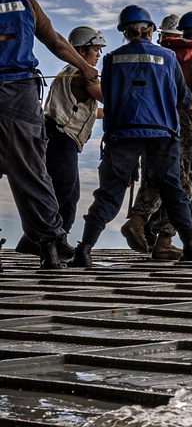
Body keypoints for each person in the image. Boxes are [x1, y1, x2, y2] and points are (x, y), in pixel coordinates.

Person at [70, 5, 192, 268]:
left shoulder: (112, 59)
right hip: (162, 133)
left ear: (124, 33)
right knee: (173, 191)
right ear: (151, 30)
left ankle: (84, 250)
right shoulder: (168, 58)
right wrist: (190, 102)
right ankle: (191, 248)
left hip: (123, 134)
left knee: (109, 193)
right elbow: (183, 98)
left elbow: (110, 94)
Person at [0, 0, 102, 271]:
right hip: (19, 93)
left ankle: (47, 241)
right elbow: (55, 41)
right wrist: (86, 68)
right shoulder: (24, 3)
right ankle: (49, 246)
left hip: (18, 93)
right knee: (31, 169)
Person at [126, 10, 192, 258]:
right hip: (179, 125)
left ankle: (137, 218)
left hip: (150, 124)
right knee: (182, 184)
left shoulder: (161, 55)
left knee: (154, 179)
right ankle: (164, 239)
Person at [41, 26, 106, 257]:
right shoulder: (82, 73)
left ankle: (57, 238)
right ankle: (42, 238)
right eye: (95, 49)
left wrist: (109, 113)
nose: (98, 54)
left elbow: (91, 109)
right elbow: (103, 95)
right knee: (62, 190)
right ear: (81, 50)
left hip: (60, 137)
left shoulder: (70, 71)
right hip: (60, 137)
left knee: (70, 194)